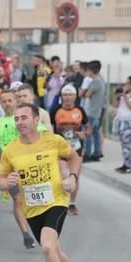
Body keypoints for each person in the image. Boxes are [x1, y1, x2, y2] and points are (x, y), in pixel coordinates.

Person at [0, 103, 87, 262]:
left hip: (56, 200)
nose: (19, 122)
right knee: (55, 252)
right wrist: (6, 182)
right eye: (16, 119)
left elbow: (74, 157)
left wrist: (73, 178)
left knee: (47, 247)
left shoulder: (52, 140)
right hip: (32, 207)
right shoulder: (10, 150)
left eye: (24, 117)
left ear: (36, 120)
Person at [0, 90, 36, 249]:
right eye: (3, 101)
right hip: (10, 167)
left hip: (30, 164)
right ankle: (26, 234)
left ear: (15, 101)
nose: (7, 103)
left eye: (10, 100)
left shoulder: (25, 120)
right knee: (18, 200)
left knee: (31, 200)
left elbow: (41, 137)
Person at [50, 84, 89, 215]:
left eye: (70, 95)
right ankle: (61, 201)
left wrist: (85, 134)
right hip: (60, 148)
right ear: (61, 96)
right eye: (65, 95)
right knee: (64, 174)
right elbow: (49, 128)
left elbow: (88, 127)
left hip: (76, 147)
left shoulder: (80, 110)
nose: (67, 98)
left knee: (75, 176)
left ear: (75, 96)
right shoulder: (55, 110)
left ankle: (72, 203)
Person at [113, 76, 131, 174]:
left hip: (130, 123)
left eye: (128, 83)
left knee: (127, 145)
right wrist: (117, 96)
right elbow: (115, 105)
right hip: (121, 122)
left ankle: (128, 166)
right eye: (125, 83)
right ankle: (125, 164)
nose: (126, 85)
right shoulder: (124, 95)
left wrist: (125, 96)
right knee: (123, 145)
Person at [82, 61, 106, 162]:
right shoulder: (100, 79)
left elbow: (87, 94)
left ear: (91, 70)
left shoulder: (96, 81)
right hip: (97, 110)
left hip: (92, 111)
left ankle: (87, 154)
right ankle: (97, 153)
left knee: (88, 133)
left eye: (88, 70)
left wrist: (85, 91)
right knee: (95, 133)